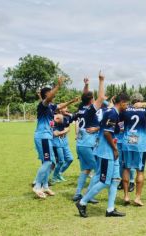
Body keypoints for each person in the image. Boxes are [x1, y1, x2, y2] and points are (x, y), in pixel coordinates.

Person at [76, 93, 130, 218]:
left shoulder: (112, 112)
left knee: (116, 180)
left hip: (109, 151)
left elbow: (103, 127)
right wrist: (115, 149)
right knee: (105, 181)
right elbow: (106, 133)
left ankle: (110, 209)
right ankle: (82, 202)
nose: (127, 106)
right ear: (121, 102)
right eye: (126, 103)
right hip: (107, 152)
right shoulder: (112, 113)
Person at [32, 77, 78, 199]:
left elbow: (60, 105)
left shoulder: (51, 107)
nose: (53, 96)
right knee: (47, 162)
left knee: (50, 161)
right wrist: (57, 85)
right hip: (43, 137)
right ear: (46, 95)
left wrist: (71, 101)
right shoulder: (43, 105)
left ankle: (45, 185)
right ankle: (37, 186)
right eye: (50, 94)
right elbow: (49, 98)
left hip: (47, 137)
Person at [72, 73, 105, 202]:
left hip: (80, 144)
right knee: (98, 171)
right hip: (88, 144)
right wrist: (101, 81)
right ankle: (88, 196)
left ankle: (77, 193)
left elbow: (85, 96)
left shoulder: (81, 108)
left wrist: (86, 85)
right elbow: (101, 97)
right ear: (92, 100)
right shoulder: (91, 110)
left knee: (85, 170)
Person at [51, 107, 75, 183]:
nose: (67, 109)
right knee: (60, 161)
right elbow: (55, 133)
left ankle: (59, 173)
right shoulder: (54, 118)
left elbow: (68, 128)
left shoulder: (67, 118)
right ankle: (54, 178)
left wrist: (63, 132)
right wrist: (64, 131)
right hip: (57, 142)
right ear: (60, 110)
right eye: (65, 108)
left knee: (70, 159)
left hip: (65, 141)